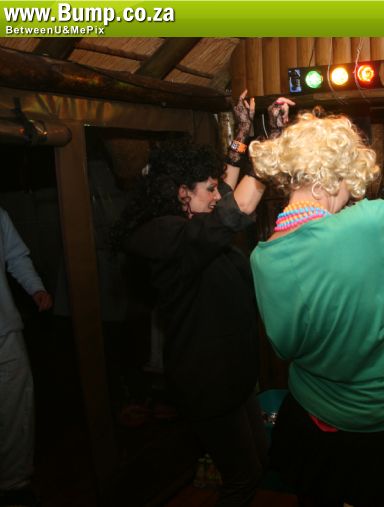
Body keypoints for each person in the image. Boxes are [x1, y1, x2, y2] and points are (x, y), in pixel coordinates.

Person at [249, 86, 384, 507]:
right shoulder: (364, 226)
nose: (351, 196)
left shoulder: (262, 258)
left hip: (306, 421)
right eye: (348, 186)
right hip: (372, 425)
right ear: (327, 180)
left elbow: (285, 348)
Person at [115, 92, 283, 507]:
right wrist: (271, 147)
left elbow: (222, 196)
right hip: (208, 381)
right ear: (181, 194)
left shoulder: (192, 224)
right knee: (242, 478)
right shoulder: (163, 237)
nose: (217, 195)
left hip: (234, 375)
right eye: (208, 189)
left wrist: (242, 134)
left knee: (259, 461)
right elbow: (233, 209)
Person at [0, 206, 53, 507]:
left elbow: (16, 256)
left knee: (15, 407)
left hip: (5, 329)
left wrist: (35, 288)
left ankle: (13, 482)